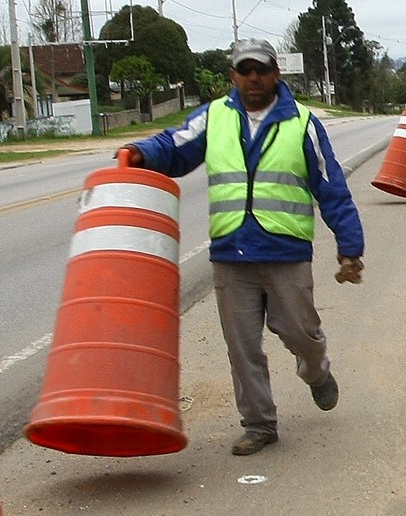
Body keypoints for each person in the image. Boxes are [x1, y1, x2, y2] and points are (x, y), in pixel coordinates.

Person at [120, 39, 365, 456]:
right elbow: (174, 144)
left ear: (276, 74)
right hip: (231, 253)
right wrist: (139, 152)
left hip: (285, 252)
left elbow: (331, 188)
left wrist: (349, 247)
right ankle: (259, 423)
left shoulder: (302, 122)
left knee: (301, 334)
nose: (254, 78)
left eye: (262, 69)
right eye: (245, 70)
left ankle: (316, 371)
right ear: (233, 76)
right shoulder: (214, 117)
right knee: (242, 346)